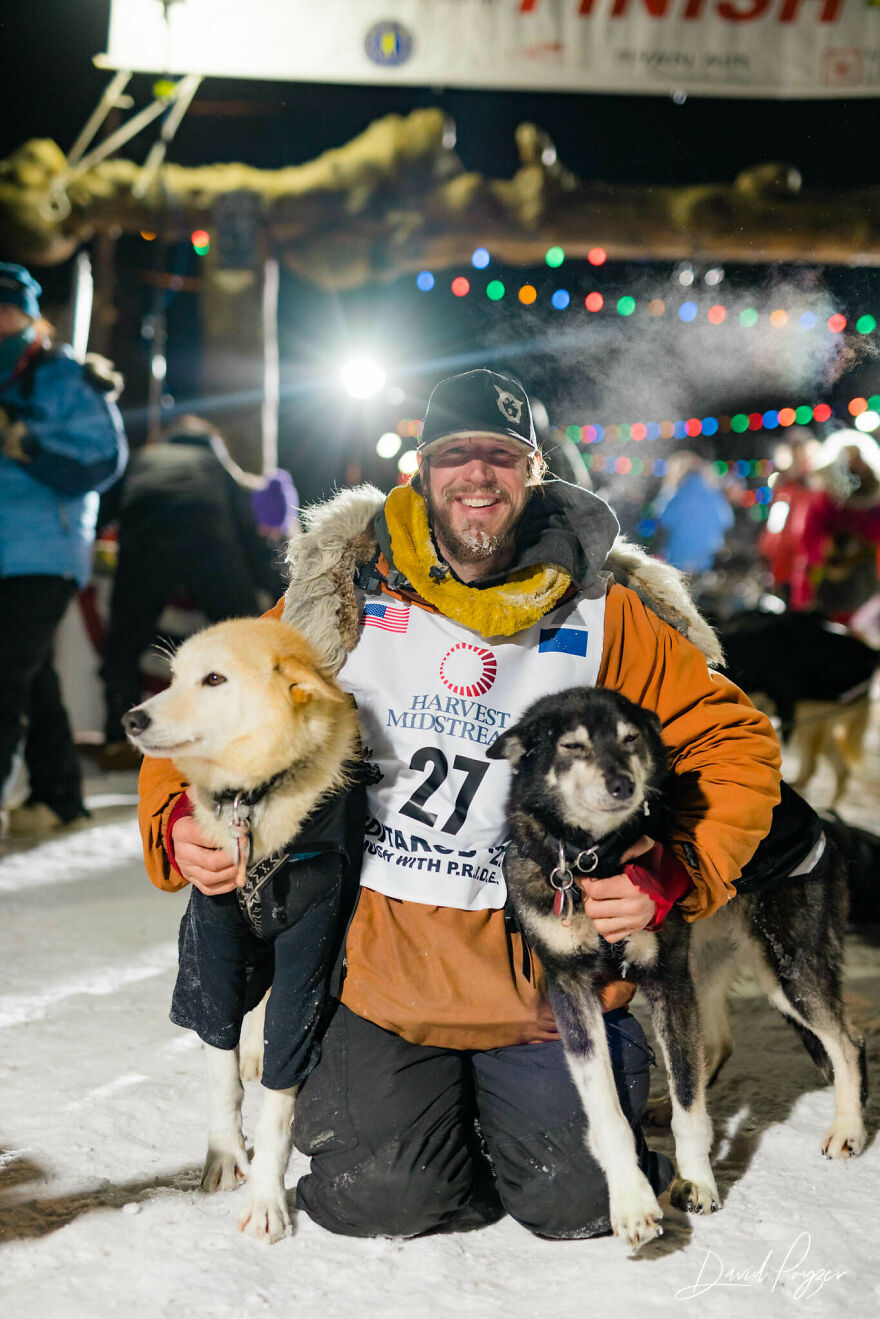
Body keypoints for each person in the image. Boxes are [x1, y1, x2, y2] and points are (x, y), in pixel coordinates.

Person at [138, 368, 782, 1240]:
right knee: (378, 1198)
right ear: (421, 472)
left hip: (548, 974)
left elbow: (733, 740)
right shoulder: (346, 592)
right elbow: (214, 697)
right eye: (455, 455)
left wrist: (681, 872)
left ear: (535, 474)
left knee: (575, 1200)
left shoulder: (606, 612)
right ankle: (448, 1127)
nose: (478, 475)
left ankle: (515, 1126)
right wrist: (181, 822)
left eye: (502, 456)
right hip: (383, 968)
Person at [0, 261, 127, 835]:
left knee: (4, 674)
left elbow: (102, 461)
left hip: (42, 553)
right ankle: (60, 798)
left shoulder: (67, 377)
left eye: (7, 309)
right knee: (31, 678)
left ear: (31, 316)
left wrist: (28, 446)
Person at [101, 415, 285, 761]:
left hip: (146, 540)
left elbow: (108, 506)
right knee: (241, 637)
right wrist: (280, 589)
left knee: (125, 641)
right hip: (207, 539)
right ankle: (256, 730)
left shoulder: (144, 457)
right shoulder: (211, 459)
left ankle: (116, 737)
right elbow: (246, 529)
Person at [791, 429, 880, 622]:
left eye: (858, 459)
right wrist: (830, 548)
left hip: (866, 592)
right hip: (824, 591)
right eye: (849, 460)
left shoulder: (875, 505)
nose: (855, 465)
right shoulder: (821, 504)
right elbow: (809, 542)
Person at [652, 450, 734, 575]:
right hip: (708, 559)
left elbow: (664, 520)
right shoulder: (714, 496)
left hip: (678, 558)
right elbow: (727, 521)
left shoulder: (676, 495)